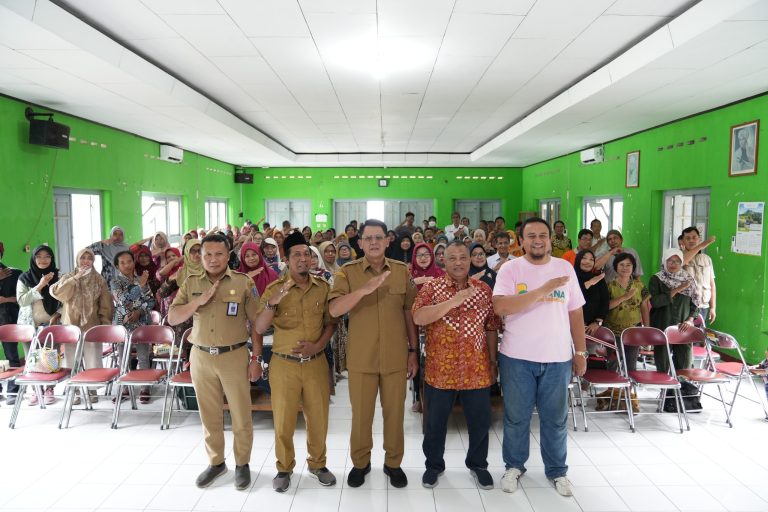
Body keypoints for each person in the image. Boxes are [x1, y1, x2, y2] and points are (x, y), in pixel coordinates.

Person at [492, 217, 587, 497]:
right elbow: (501, 306)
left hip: (558, 358)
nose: (537, 240)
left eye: (543, 235)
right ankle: (514, 466)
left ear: (550, 239)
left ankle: (557, 471)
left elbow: (576, 313)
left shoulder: (564, 268)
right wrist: (544, 289)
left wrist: (580, 352)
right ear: (520, 241)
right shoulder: (510, 269)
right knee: (516, 418)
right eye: (531, 235)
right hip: (517, 358)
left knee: (555, 419)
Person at [168, 233, 263, 491]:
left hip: (234, 356)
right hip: (200, 356)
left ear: (229, 254)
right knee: (209, 415)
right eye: (206, 254)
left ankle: (242, 465)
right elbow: (173, 317)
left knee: (241, 414)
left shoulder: (243, 283)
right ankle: (216, 463)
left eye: (218, 254)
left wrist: (256, 358)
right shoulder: (190, 283)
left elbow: (257, 323)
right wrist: (197, 302)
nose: (212, 259)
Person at [328, 219, 418, 488]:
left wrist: (413, 351)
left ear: (388, 240)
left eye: (379, 237)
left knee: (394, 415)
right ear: (360, 242)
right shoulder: (348, 273)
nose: (374, 242)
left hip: (395, 358)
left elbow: (409, 314)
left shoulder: (402, 271)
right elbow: (334, 310)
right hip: (362, 358)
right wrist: (364, 290)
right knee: (361, 415)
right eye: (368, 238)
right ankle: (360, 462)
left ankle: (393, 463)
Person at [412, 241, 501, 489]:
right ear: (444, 261)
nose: (459, 262)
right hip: (441, 370)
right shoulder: (432, 287)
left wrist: (493, 362)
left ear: (470, 260)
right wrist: (454, 301)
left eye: (463, 257)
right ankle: (433, 466)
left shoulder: (483, 289)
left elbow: (492, 327)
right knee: (435, 423)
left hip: (477, 369)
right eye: (452, 258)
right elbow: (418, 317)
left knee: (480, 422)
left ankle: (478, 465)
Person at [255, 232, 338, 492]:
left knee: (318, 417)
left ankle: (317, 464)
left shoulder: (323, 286)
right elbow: (258, 326)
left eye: (307, 254)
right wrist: (273, 302)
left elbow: (331, 323)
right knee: (283, 420)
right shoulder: (273, 290)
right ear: (287, 259)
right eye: (297, 255)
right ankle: (284, 468)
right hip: (284, 365)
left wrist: (319, 345)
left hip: (315, 362)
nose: (303, 259)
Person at [50, 248, 113, 405]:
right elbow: (58, 293)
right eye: (82, 258)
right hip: (71, 326)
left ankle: (91, 389)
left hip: (92, 325)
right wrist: (75, 278)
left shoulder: (99, 280)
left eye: (89, 258)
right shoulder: (69, 276)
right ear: (77, 260)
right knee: (72, 359)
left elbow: (105, 304)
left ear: (93, 260)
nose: (86, 261)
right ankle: (75, 391)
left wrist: (104, 324)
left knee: (92, 358)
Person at [16, 245, 61, 405]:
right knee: (32, 359)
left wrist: (57, 314)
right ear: (34, 258)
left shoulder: (58, 277)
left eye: (47, 256)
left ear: (52, 258)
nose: (43, 260)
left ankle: (49, 389)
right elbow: (22, 300)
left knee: (50, 357)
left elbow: (65, 300)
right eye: (39, 256)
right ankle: (36, 390)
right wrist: (41, 285)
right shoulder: (24, 278)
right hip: (29, 326)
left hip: (52, 323)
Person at [110, 251, 156, 404]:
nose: (127, 265)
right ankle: (124, 388)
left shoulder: (140, 279)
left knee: (143, 356)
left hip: (142, 322)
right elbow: (123, 300)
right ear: (117, 266)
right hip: (123, 322)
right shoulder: (115, 281)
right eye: (122, 263)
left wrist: (139, 311)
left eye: (129, 261)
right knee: (123, 357)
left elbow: (150, 301)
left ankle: (145, 387)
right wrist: (139, 285)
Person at [649, 249, 699, 375]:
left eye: (677, 261)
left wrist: (690, 320)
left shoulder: (689, 280)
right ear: (665, 261)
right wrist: (678, 289)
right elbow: (656, 302)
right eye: (670, 260)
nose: (673, 264)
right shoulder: (657, 279)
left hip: (683, 328)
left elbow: (695, 305)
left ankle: (681, 392)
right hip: (662, 325)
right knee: (663, 366)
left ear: (681, 262)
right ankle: (665, 392)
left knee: (685, 364)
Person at [604, 253, 650, 373]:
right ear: (616, 267)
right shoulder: (609, 285)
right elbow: (605, 307)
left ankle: (629, 390)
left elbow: (644, 306)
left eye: (628, 265)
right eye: (621, 265)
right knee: (613, 362)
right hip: (613, 331)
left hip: (634, 330)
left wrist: (647, 328)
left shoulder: (639, 286)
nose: (625, 268)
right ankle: (611, 389)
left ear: (633, 267)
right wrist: (624, 297)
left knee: (631, 363)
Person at [0, 242, 22, 404]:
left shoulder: (14, 274)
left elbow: (21, 298)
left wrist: (5, 299)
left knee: (12, 356)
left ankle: (13, 392)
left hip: (8, 319)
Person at [681, 227, 717, 325]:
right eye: (687, 238)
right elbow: (682, 262)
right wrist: (702, 245)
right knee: (684, 337)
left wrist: (713, 307)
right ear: (683, 241)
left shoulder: (707, 259)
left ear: (699, 239)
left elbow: (712, 285)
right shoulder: (678, 257)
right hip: (686, 306)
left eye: (694, 237)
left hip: (703, 306)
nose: (691, 240)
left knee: (699, 336)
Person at [574, 250, 608, 336]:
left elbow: (605, 302)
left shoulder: (598, 279)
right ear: (578, 260)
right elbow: (571, 298)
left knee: (592, 350)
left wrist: (597, 322)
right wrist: (588, 284)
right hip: (571, 327)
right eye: (584, 258)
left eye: (591, 259)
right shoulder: (570, 278)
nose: (587, 262)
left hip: (592, 330)